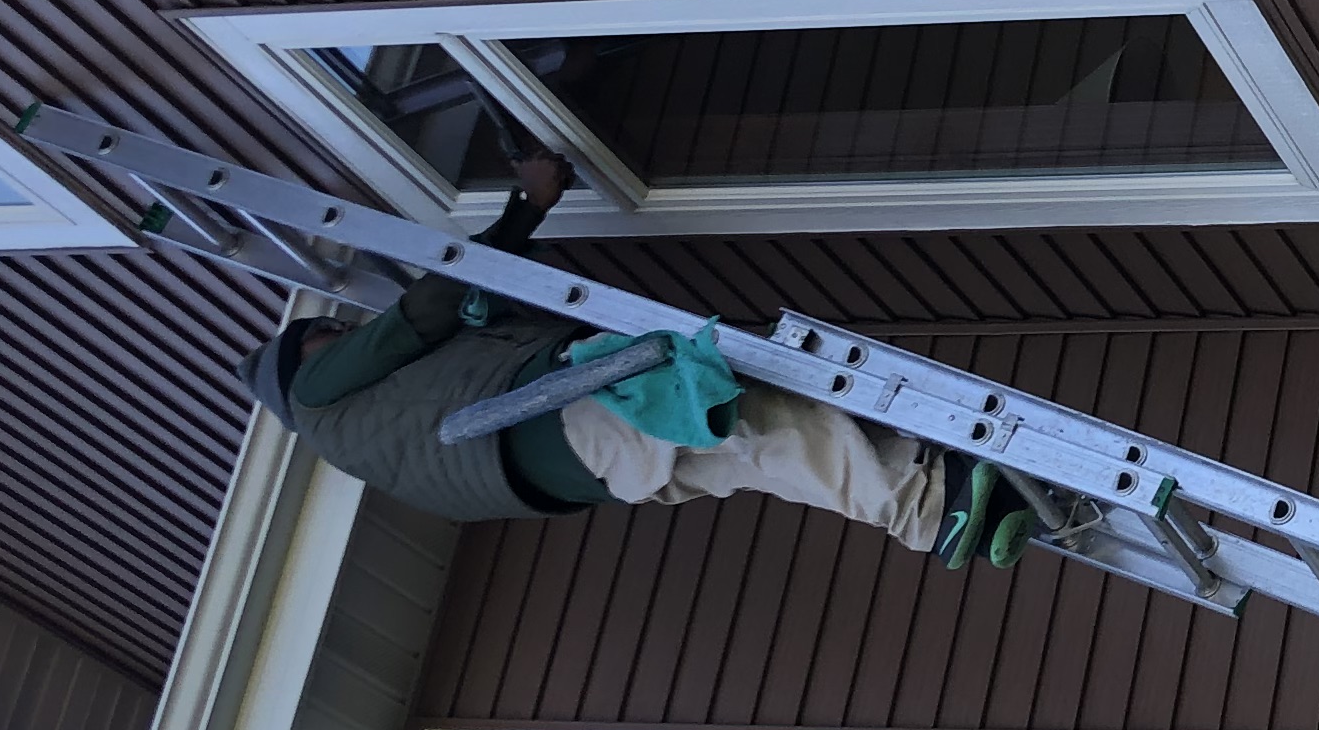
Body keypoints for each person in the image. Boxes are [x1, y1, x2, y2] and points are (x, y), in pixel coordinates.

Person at [242, 152, 1041, 564]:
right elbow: (422, 312)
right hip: (565, 417)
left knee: (757, 454)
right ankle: (929, 509)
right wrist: (529, 204)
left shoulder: (372, 438)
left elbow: (454, 349)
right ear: (298, 362)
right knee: (748, 417)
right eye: (325, 331)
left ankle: (954, 516)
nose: (341, 330)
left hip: (580, 470)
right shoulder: (316, 393)